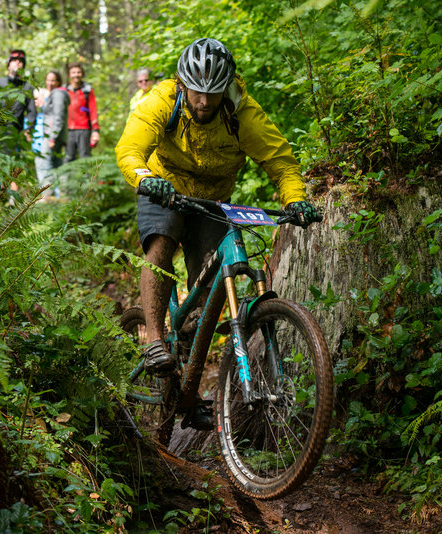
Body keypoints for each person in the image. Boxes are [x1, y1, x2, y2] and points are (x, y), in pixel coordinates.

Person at [115, 38, 320, 426]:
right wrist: (145, 178)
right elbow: (130, 147)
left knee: (207, 291)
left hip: (213, 200)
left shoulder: (242, 113)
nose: (204, 102)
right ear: (182, 84)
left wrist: (294, 199)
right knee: (161, 243)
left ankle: (188, 389)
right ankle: (155, 340)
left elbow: (281, 162)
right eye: (196, 92)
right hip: (165, 188)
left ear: (225, 88)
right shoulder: (164, 99)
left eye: (212, 93)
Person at [0, 50, 37, 148]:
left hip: (16, 133)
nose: (18, 62)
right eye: (14, 60)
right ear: (8, 65)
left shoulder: (27, 87)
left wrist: (29, 130)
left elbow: (31, 111)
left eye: (21, 61)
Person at [35, 71, 70, 195]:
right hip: (55, 135)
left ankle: (46, 196)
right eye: (48, 80)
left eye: (53, 80)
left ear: (59, 82)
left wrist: (52, 138)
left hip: (52, 136)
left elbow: (58, 116)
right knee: (58, 165)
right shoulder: (56, 94)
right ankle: (63, 195)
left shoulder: (58, 94)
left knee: (43, 164)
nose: (50, 83)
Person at [64, 63, 100, 163]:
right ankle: (68, 179)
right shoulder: (64, 90)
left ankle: (87, 179)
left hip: (84, 129)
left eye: (79, 72)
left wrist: (96, 130)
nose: (76, 75)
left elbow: (93, 110)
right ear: (69, 74)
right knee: (68, 159)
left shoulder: (87, 90)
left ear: (82, 74)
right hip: (68, 130)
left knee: (85, 158)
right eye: (73, 72)